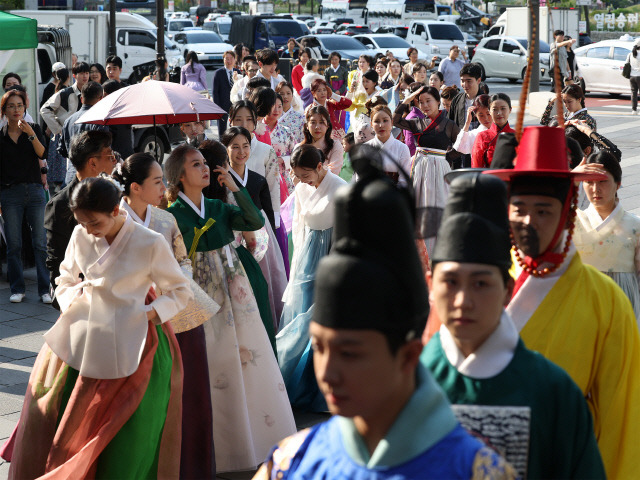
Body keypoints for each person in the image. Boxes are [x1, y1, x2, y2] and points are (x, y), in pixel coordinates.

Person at [258, 145, 515, 479]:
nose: (328, 373)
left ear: (409, 356)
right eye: (320, 348)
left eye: (351, 353)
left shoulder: (475, 470)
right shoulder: (291, 462)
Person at [3, 175, 192, 479]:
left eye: (95, 223)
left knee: (130, 435)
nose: (89, 230)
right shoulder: (80, 234)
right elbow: (64, 278)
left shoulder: (150, 242)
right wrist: (74, 299)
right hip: (85, 334)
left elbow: (180, 290)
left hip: (136, 338)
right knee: (64, 420)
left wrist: (150, 312)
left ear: (116, 210)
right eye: (83, 222)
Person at [422, 171, 605, 479]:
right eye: (450, 282)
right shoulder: (408, 385)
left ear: (507, 289)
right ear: (430, 285)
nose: (463, 300)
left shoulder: (555, 392)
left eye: (481, 283)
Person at [486, 125, 640, 479]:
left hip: (566, 458)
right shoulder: (482, 283)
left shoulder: (608, 303)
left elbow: (620, 414)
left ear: (568, 211)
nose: (529, 222)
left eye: (544, 211)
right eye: (519, 208)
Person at [164, 144, 296, 473]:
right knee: (209, 360)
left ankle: (250, 439)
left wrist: (235, 188)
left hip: (233, 291)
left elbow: (253, 220)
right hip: (198, 292)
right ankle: (217, 446)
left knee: (246, 356)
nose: (205, 168)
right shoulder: (171, 215)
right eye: (196, 165)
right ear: (180, 177)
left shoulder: (218, 207)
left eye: (205, 164)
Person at [112, 153, 217, 479]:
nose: (164, 186)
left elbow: (183, 263)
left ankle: (189, 469)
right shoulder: (111, 221)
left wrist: (170, 288)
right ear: (135, 187)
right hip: (132, 317)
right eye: (157, 181)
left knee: (188, 396)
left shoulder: (165, 220)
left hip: (176, 311)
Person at [276, 144, 348, 412]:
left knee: (322, 321)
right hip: (307, 256)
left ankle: (321, 390)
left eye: (306, 174)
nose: (302, 180)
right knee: (301, 317)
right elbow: (299, 227)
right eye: (298, 175)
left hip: (332, 255)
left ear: (320, 167)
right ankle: (296, 384)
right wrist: (295, 267)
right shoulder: (302, 187)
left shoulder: (341, 189)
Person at [217, 128, 286, 340]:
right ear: (226, 150)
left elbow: (264, 207)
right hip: (233, 239)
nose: (241, 151)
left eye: (245, 146)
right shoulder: (220, 179)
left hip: (261, 236)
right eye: (235, 147)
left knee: (265, 281)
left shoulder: (257, 178)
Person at [44, 130, 116, 304]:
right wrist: (66, 300)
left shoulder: (114, 193)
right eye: (109, 155)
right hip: (81, 296)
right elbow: (57, 261)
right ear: (92, 162)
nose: (114, 159)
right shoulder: (61, 204)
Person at [393, 85, 460, 256]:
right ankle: (419, 253)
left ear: (438, 102)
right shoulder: (417, 122)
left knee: (438, 207)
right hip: (420, 168)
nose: (425, 105)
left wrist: (446, 159)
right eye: (421, 102)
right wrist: (408, 99)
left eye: (428, 101)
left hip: (439, 170)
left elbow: (461, 146)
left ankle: (438, 252)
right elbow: (395, 120)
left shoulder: (449, 124)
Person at [573, 151, 640, 321]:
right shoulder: (573, 220)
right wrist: (570, 178)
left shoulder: (635, 225)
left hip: (622, 301)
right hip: (583, 301)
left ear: (618, 184)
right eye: (589, 182)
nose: (596, 189)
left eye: (602, 182)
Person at [0, 89, 49, 304]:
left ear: (24, 107)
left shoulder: (34, 129)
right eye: (11, 106)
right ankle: (18, 288)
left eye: (19, 105)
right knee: (14, 244)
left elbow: (42, 154)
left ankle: (44, 289)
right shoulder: (0, 136)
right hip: (10, 193)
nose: (16, 109)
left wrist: (30, 134)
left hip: (35, 191)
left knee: (40, 242)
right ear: (4, 111)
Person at [41, 61, 90, 149]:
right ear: (74, 75)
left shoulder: (91, 92)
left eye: (87, 73)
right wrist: (59, 130)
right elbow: (44, 109)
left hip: (85, 138)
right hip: (66, 139)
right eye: (82, 73)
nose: (85, 76)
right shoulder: (65, 93)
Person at [59, 81, 108, 159]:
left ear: (81, 99)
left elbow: (62, 150)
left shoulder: (68, 121)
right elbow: (104, 150)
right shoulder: (99, 121)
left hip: (72, 169)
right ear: (101, 99)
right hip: (94, 169)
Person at [366, 105, 411, 186]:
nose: (381, 125)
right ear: (371, 124)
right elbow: (360, 179)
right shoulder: (365, 148)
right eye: (377, 121)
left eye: (385, 120)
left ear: (392, 122)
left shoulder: (402, 148)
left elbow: (404, 181)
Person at [448, 63, 482, 168]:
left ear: (478, 80)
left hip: (479, 149)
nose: (465, 85)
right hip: (459, 150)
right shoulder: (457, 100)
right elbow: (450, 125)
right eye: (462, 81)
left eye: (469, 81)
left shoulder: (486, 101)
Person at [264, 93, 297, 201]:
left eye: (279, 106)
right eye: (273, 106)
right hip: (262, 174)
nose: (277, 110)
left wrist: (282, 160)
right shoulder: (257, 130)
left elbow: (296, 154)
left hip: (283, 176)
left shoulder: (286, 131)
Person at [44, 68, 71, 192]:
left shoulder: (56, 89)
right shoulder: (66, 92)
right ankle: (61, 183)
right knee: (62, 158)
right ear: (69, 77)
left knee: (58, 157)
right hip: (61, 129)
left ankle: (58, 184)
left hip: (57, 129)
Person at [471, 93, 514, 168]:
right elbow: (476, 167)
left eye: (503, 108)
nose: (499, 113)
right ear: (489, 111)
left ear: (510, 110)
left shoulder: (518, 135)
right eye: (494, 109)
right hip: (489, 178)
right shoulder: (482, 136)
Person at [298, 105, 344, 175]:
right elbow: (295, 175)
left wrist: (306, 174)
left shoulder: (335, 146)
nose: (317, 127)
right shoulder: (299, 148)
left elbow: (333, 172)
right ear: (307, 126)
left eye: (321, 122)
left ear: (328, 125)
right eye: (313, 122)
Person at [213, 49, 236, 137]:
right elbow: (215, 92)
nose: (229, 61)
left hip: (235, 104)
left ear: (234, 59)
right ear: (223, 60)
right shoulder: (218, 73)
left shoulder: (238, 72)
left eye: (231, 58)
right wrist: (217, 107)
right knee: (222, 129)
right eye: (226, 58)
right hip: (222, 105)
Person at [276, 81, 305, 145]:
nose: (285, 97)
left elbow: (303, 140)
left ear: (292, 95)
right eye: (282, 94)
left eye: (288, 93)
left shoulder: (300, 118)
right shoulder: (272, 116)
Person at [627, 40, 640, 115]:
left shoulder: (630, 54)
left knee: (634, 93)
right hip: (639, 76)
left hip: (632, 76)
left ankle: (634, 110)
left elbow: (626, 63)